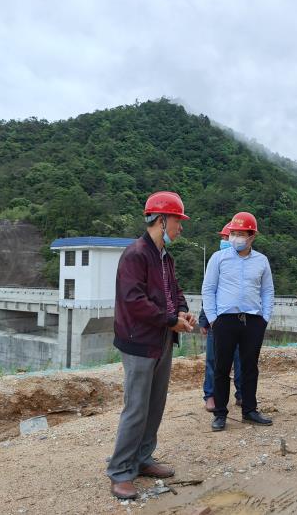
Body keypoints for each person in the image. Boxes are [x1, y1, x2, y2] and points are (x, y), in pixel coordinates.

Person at [106, 191, 196, 500]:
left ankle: (143, 458)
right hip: (140, 342)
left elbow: (174, 292)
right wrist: (170, 320)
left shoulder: (164, 256)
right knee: (136, 408)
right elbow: (134, 301)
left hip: (161, 338)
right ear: (161, 220)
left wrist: (182, 311)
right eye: (177, 221)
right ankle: (120, 471)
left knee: (155, 405)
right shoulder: (136, 254)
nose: (180, 227)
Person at [201, 211, 275, 432]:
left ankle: (249, 410)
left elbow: (267, 291)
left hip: (252, 320)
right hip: (225, 320)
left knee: (250, 366)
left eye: (241, 234)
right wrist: (213, 319)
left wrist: (264, 318)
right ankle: (220, 413)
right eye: (233, 233)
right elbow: (208, 289)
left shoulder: (261, 261)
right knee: (222, 368)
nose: (235, 238)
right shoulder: (218, 258)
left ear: (252, 236)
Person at [199, 222, 242, 412]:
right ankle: (211, 395)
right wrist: (205, 319)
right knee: (213, 361)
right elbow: (208, 291)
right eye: (224, 237)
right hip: (216, 320)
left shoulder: (245, 263)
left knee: (241, 361)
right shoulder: (216, 261)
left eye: (227, 237)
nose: (224, 240)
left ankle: (242, 394)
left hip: (240, 320)